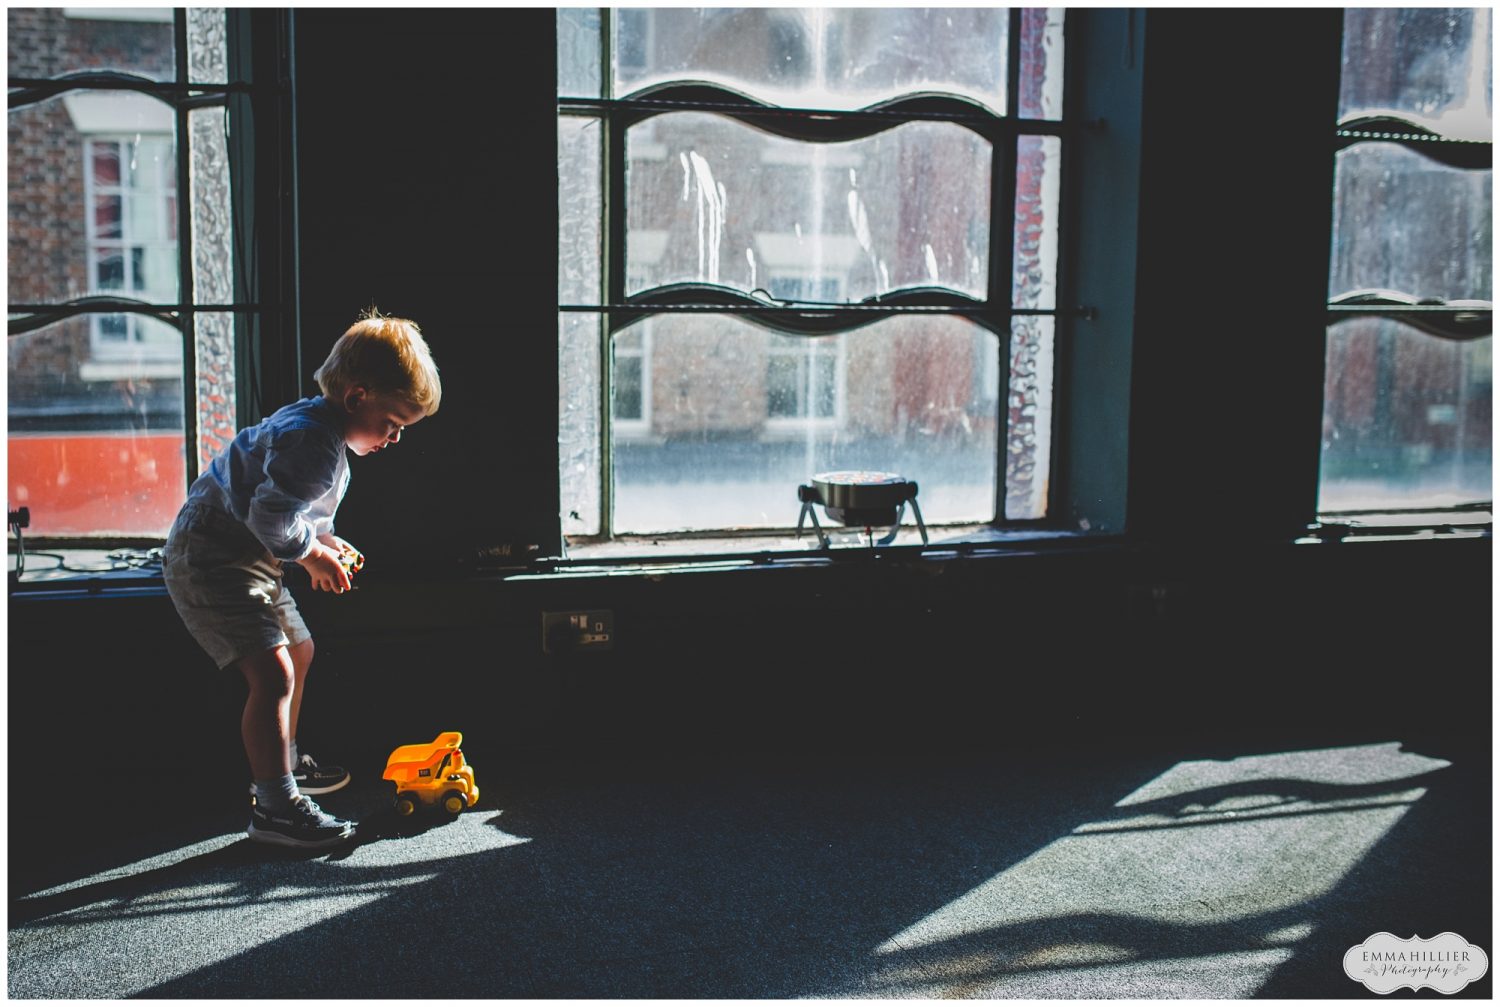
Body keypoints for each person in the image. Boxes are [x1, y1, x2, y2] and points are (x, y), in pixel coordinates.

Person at [162, 309, 440, 849]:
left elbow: (293, 509)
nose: (395, 438)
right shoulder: (313, 441)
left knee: (300, 651)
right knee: (273, 675)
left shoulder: (322, 431)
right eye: (393, 423)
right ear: (357, 397)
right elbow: (270, 519)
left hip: (248, 557)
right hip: (212, 558)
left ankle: (283, 764)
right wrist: (312, 555)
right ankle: (275, 807)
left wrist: (326, 541)